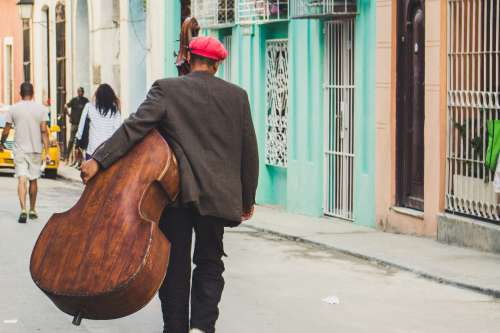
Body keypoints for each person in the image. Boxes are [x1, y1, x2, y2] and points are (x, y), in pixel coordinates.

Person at [80, 36, 259, 333]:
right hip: (218, 197)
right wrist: (247, 198)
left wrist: (99, 160)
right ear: (217, 64)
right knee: (210, 261)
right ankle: (201, 327)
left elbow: (134, 128)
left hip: (178, 195)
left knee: (175, 267)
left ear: (188, 58)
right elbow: (248, 151)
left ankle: (175, 328)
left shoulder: (167, 89)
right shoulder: (237, 96)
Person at [0, 82, 50, 223]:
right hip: (35, 149)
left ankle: (23, 209)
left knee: (22, 178)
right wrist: (46, 151)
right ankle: (33, 209)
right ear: (33, 93)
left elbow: (7, 129)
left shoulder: (14, 109)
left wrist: (1, 143)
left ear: (20, 93)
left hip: (20, 149)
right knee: (33, 179)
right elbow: (44, 131)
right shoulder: (41, 109)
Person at [76, 84, 122, 161]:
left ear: (97, 95)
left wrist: (77, 144)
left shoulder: (89, 106)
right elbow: (117, 130)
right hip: (108, 152)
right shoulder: (115, 110)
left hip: (92, 151)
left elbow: (81, 128)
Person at [65, 87, 89, 166]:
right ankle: (67, 158)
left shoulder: (85, 101)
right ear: (77, 92)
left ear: (83, 92)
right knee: (71, 141)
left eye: (81, 92)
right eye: (79, 91)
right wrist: (69, 115)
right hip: (74, 124)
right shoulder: (74, 100)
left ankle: (78, 161)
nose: (80, 93)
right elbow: (66, 106)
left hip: (82, 125)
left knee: (79, 143)